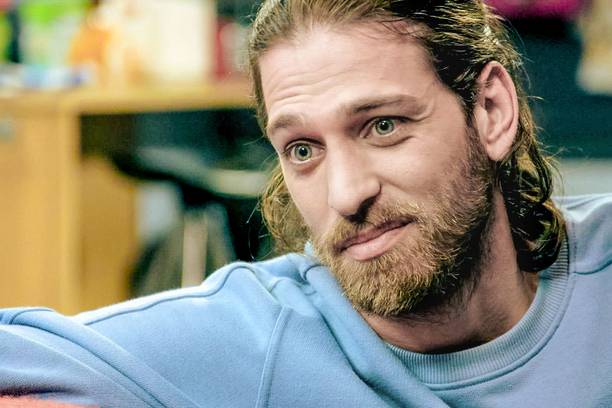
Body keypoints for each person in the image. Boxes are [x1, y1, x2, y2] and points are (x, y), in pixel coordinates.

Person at [1, 0, 611, 406]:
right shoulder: (252, 338)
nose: (345, 194)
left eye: (383, 126)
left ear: (491, 112)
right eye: (302, 150)